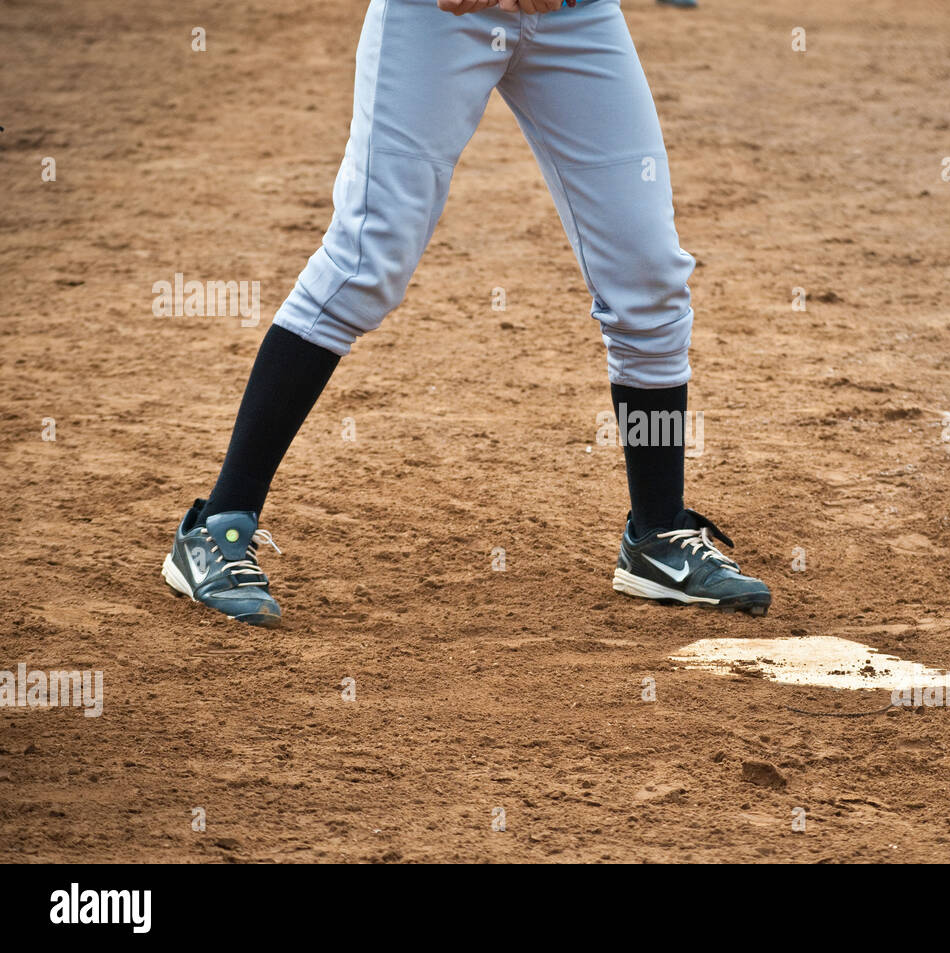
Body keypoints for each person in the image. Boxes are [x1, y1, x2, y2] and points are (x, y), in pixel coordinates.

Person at [162, 0, 770, 627]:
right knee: (367, 262)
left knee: (649, 275)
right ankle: (218, 526)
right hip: (437, 16)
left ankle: (658, 535)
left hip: (577, 14)